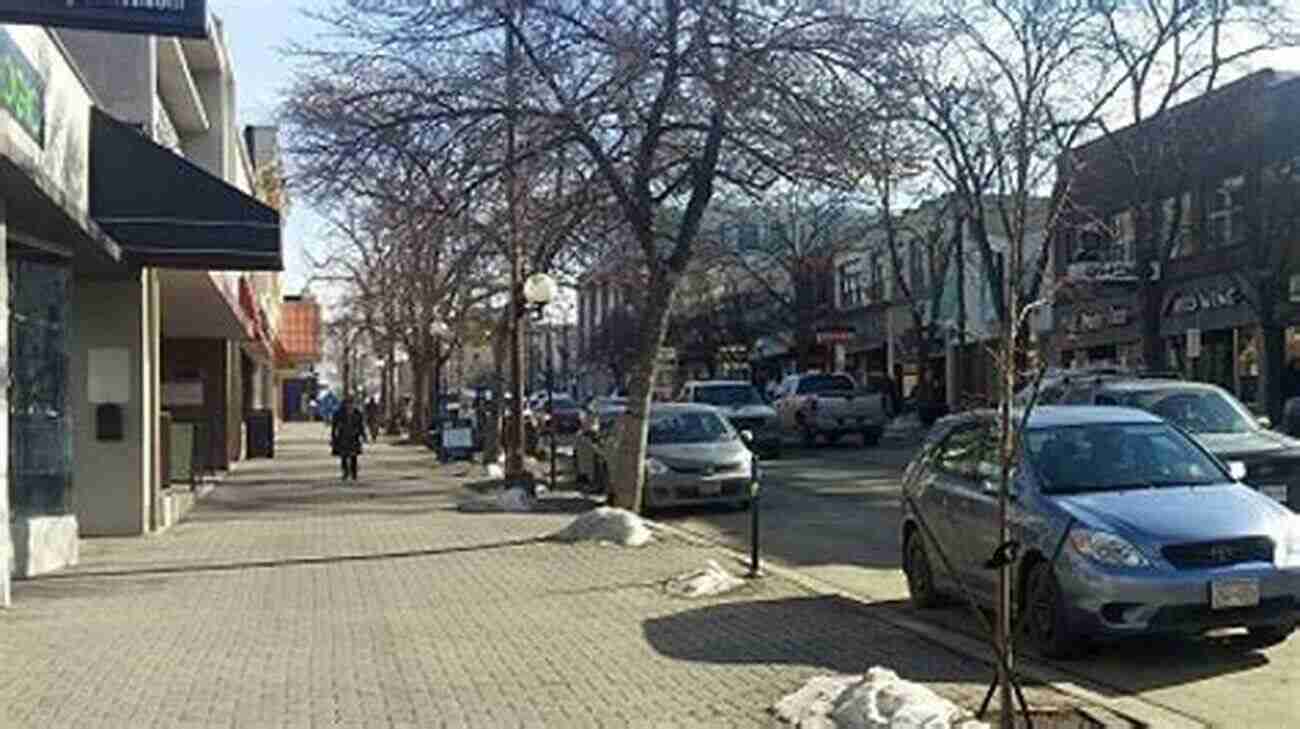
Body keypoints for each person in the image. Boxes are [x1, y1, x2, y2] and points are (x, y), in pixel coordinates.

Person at [331, 396, 368, 481]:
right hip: (343, 437)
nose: (350, 405)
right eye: (348, 403)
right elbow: (334, 426)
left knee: (353, 456)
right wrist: (333, 437)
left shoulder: (357, 413)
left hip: (354, 437)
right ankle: (345, 472)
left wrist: (363, 435)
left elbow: (361, 426)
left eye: (351, 403)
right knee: (344, 456)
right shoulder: (339, 413)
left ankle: (354, 473)